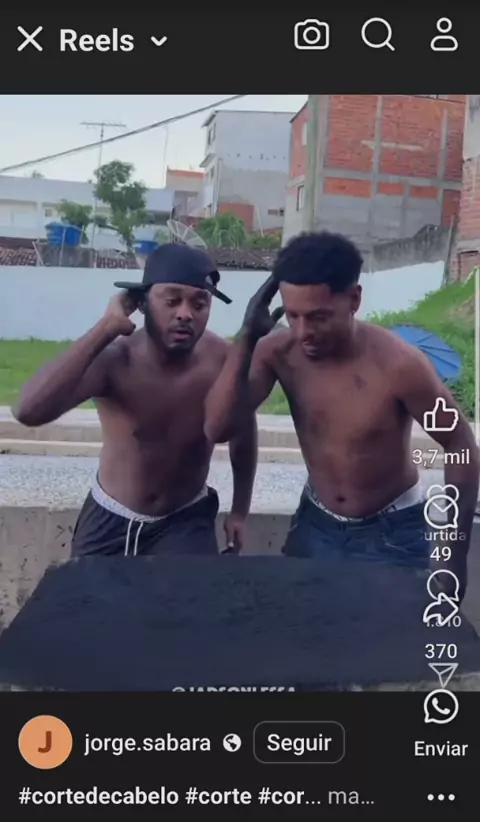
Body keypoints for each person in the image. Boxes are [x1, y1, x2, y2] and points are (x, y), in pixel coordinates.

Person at [204, 231, 479, 598]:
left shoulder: (399, 366)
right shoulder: (278, 353)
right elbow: (218, 428)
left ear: (354, 299)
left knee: (388, 634)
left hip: (392, 534)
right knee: (305, 629)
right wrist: (247, 336)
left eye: (318, 317)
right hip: (315, 526)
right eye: (293, 315)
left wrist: (453, 556)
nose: (303, 332)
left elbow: (459, 444)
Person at [14, 244, 257, 557]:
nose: (185, 313)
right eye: (172, 301)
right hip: (111, 517)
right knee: (87, 589)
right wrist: (106, 327)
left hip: (185, 518)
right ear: (141, 303)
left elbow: (243, 433)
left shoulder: (223, 360)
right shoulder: (115, 359)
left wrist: (239, 511)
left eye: (199, 304)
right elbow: (28, 410)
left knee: (193, 589)